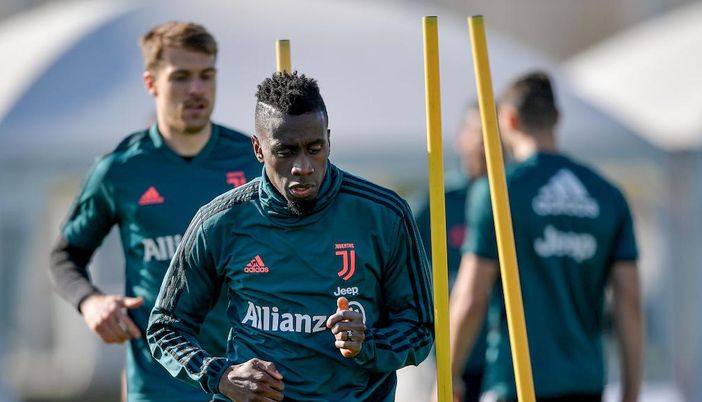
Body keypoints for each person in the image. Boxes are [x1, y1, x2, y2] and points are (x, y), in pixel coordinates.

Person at [147, 71, 435, 402]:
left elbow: (419, 329)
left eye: (315, 148)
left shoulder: (384, 214)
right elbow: (165, 327)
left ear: (329, 140)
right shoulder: (220, 221)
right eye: (286, 151)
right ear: (258, 148)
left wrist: (368, 344)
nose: (303, 166)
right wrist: (221, 376)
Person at [48, 21, 262, 402]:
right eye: (181, 77)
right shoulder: (121, 170)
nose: (196, 89)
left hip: (240, 379)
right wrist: (91, 302)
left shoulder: (254, 161)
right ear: (151, 83)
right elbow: (65, 256)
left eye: (206, 75)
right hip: (156, 385)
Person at [447, 72, 642, 402]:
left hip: (516, 383)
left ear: (508, 120)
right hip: (586, 385)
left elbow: (471, 296)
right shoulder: (607, 194)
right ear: (558, 118)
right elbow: (629, 300)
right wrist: (631, 393)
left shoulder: (497, 191)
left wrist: (448, 376)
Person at [416, 102, 489, 402]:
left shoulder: (514, 200)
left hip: (506, 357)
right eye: (480, 134)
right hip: (449, 352)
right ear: (462, 138)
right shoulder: (437, 200)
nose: (487, 144)